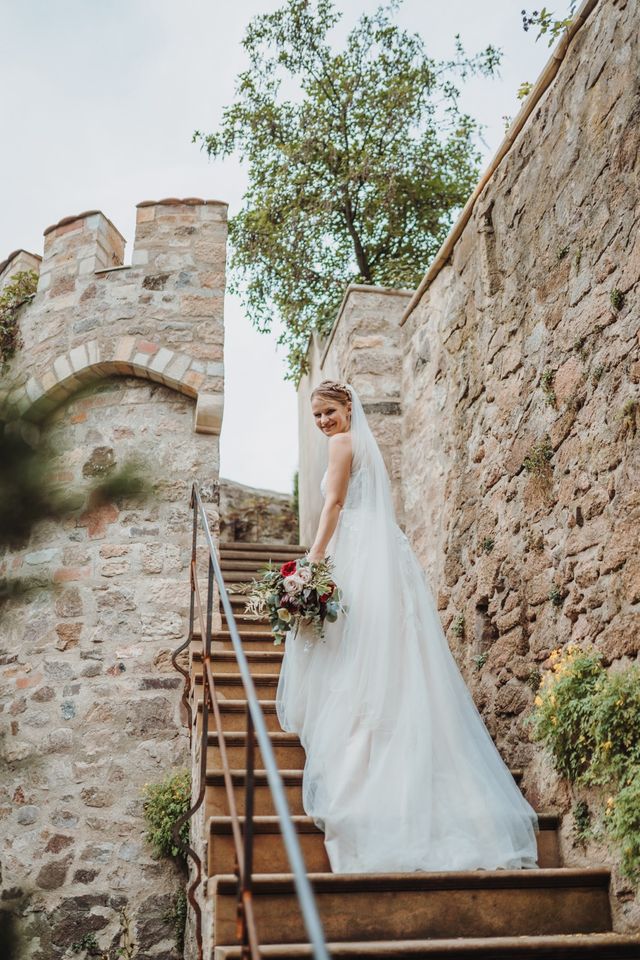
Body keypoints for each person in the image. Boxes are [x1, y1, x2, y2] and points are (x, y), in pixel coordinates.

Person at [275, 379, 540, 873]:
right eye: (316, 416)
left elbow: (332, 506)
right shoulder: (369, 450)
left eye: (328, 411)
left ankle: (366, 772)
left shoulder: (341, 444)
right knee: (387, 650)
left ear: (347, 406)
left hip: (356, 553)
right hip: (383, 552)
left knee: (357, 652)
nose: (323, 422)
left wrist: (311, 561)